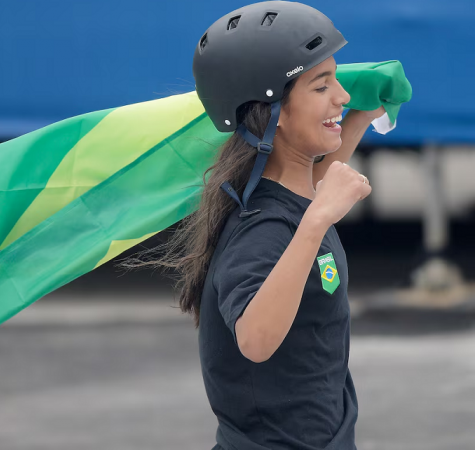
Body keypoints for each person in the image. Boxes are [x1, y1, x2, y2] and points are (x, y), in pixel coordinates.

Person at [119, 1, 377, 449]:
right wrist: (318, 220)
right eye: (321, 86)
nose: (342, 94)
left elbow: (306, 187)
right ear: (271, 112)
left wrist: (360, 118)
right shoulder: (261, 230)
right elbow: (255, 340)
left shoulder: (295, 196)